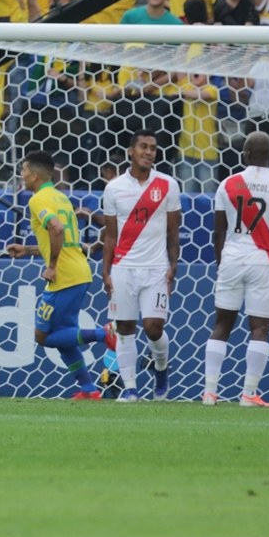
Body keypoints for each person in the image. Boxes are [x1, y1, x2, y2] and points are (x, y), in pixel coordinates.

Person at [6, 151, 116, 399]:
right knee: (65, 336)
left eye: (23, 170)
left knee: (42, 336)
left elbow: (55, 228)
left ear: (34, 175)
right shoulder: (61, 198)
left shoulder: (37, 200)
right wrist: (29, 250)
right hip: (79, 271)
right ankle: (88, 389)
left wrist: (53, 265)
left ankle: (103, 334)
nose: (21, 174)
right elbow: (62, 237)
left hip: (64, 277)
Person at [203, 131, 269, 408]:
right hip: (263, 262)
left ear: (245, 154)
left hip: (231, 259)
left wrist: (223, 266)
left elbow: (217, 233)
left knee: (221, 324)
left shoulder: (227, 184)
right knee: (260, 327)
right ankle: (248, 394)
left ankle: (209, 392)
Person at [100, 130, 181, 402]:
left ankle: (161, 368)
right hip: (123, 267)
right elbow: (110, 235)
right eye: (144, 147)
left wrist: (173, 264)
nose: (149, 152)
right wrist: (106, 270)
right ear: (131, 152)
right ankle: (131, 388)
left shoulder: (168, 185)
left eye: (153, 148)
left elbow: (173, 232)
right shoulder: (114, 188)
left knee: (153, 327)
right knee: (124, 327)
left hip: (157, 268)